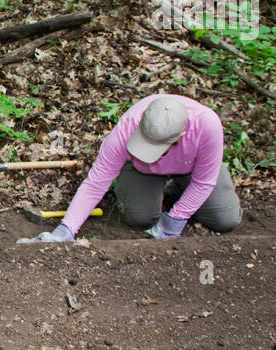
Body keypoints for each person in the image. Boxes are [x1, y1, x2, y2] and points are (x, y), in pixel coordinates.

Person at [19, 93, 242, 243]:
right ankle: (144, 189)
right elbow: (96, 183)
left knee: (226, 220)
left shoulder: (208, 125)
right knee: (139, 217)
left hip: (190, 170)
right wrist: (66, 229)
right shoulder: (126, 129)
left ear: (180, 137)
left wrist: (174, 222)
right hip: (142, 170)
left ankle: (177, 193)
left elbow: (204, 182)